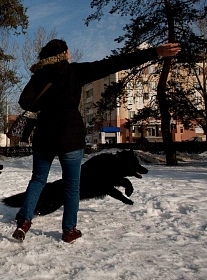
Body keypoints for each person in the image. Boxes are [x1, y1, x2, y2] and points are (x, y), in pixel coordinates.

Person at [12, 39, 180, 243]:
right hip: (70, 137)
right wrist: (154, 52)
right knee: (72, 185)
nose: (70, 54)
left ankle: (23, 222)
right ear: (64, 52)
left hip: (45, 136)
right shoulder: (74, 71)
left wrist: (45, 104)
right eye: (69, 51)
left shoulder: (39, 76)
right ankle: (68, 231)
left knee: (38, 179)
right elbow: (115, 63)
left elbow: (24, 102)